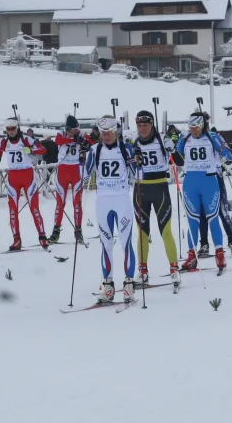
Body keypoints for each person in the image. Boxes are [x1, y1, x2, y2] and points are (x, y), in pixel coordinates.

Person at [84, 116, 138, 303]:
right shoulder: (95, 150)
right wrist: (83, 158)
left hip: (121, 200)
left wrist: (136, 161)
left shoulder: (126, 148)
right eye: (103, 133)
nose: (106, 136)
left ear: (116, 132)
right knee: (106, 244)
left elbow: (138, 174)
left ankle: (129, 284)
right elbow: (84, 174)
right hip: (103, 201)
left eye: (109, 133)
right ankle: (108, 286)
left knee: (126, 242)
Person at [176, 113, 232, 273]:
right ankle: (192, 255)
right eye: (191, 127)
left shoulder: (212, 137)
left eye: (196, 127)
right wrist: (172, 149)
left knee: (213, 219)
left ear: (202, 125)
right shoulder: (185, 138)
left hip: (209, 181)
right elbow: (175, 158)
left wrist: (221, 147)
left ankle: (219, 254)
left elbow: (229, 158)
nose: (193, 130)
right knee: (193, 221)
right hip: (190, 182)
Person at [132, 110, 180, 286]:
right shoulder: (134, 141)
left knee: (165, 230)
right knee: (142, 233)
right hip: (140, 190)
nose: (142, 129)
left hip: (160, 188)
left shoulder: (161, 139)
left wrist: (173, 147)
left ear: (152, 125)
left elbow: (179, 159)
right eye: (139, 125)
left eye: (145, 125)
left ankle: (174, 270)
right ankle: (142, 271)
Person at [0, 117, 48, 250]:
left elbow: (43, 149)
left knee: (34, 208)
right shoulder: (4, 141)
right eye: (8, 129)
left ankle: (42, 237)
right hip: (13, 178)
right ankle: (17, 240)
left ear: (17, 128)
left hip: (28, 177)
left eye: (13, 129)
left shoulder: (26, 139)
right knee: (13, 211)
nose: (11, 131)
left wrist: (31, 150)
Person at [49, 114, 88, 244]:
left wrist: (83, 140)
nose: (76, 131)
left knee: (77, 202)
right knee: (60, 202)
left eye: (77, 129)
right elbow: (58, 141)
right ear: (68, 129)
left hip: (76, 171)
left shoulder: (81, 133)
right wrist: (72, 140)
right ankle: (56, 231)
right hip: (63, 171)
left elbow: (91, 140)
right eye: (73, 130)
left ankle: (78, 230)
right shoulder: (61, 133)